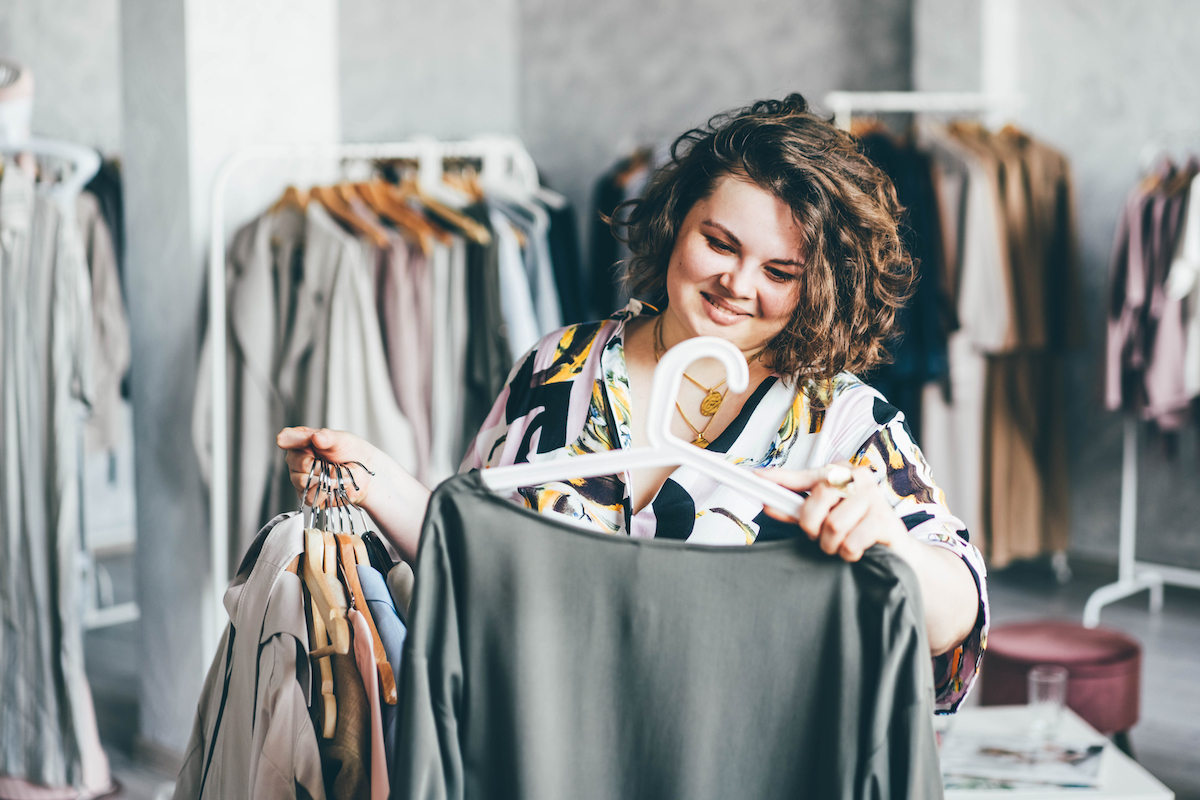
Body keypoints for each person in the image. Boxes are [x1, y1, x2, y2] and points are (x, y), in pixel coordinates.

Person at [277, 93, 988, 712]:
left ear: (822, 286)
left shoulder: (844, 425)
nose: (737, 283)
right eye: (720, 242)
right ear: (678, 222)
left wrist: (892, 544)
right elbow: (471, 556)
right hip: (539, 747)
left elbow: (956, 621)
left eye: (779, 271)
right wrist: (378, 484)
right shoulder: (557, 367)